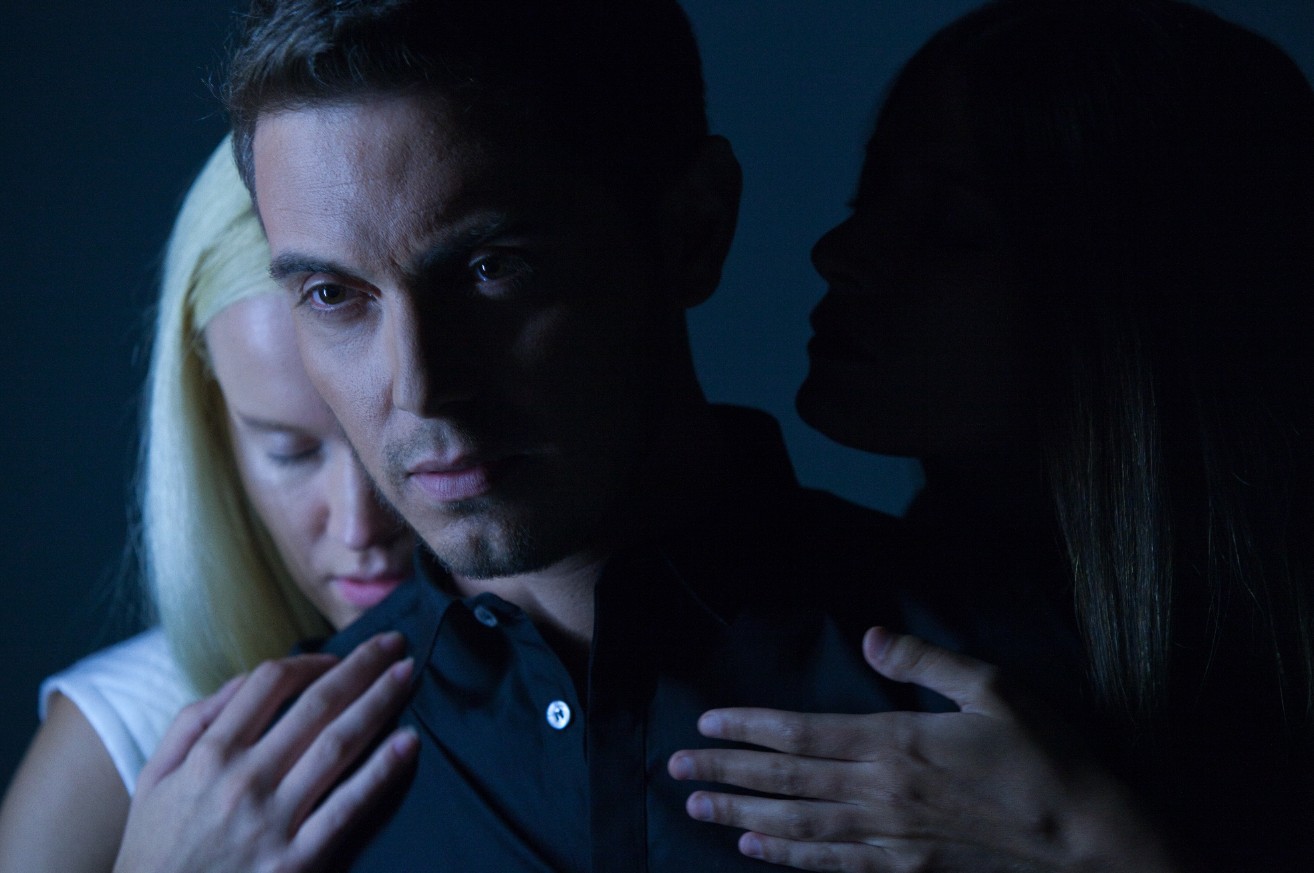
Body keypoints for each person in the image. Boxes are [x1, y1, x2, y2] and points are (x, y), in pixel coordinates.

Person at [216, 0, 1035, 869]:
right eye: (333, 296)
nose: (420, 389)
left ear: (692, 232)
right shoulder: (267, 801)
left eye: (493, 268)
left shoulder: (1009, 695)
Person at [667, 1, 1314, 870]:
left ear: (1140, 298)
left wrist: (1102, 848)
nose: (839, 252)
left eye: (949, 228)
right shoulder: (860, 619)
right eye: (869, 195)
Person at [0, 137, 420, 873]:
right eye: (290, 452)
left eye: (398, 441)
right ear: (216, 435)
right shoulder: (123, 737)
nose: (360, 525)